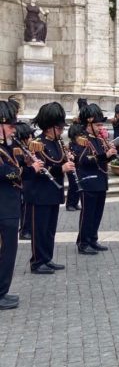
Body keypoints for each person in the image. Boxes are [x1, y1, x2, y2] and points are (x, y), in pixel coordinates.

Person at [27, 102, 74, 274]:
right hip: (40, 193)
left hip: (54, 191)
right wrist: (61, 168)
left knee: (50, 229)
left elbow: (58, 160)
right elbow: (41, 168)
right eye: (59, 128)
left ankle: (47, 258)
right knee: (40, 229)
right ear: (49, 127)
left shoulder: (58, 142)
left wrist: (68, 159)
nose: (62, 131)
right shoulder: (37, 144)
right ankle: (37, 262)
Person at [73, 103, 117, 254]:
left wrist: (111, 155)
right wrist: (105, 155)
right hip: (88, 181)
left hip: (100, 181)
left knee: (97, 213)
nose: (100, 128)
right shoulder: (82, 139)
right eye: (97, 125)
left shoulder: (98, 139)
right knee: (88, 214)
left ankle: (93, 239)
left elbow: (101, 160)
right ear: (89, 123)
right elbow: (84, 160)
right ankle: (83, 242)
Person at [0, 101, 22, 309]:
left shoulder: (5, 148)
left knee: (9, 252)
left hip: (8, 207)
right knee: (4, 252)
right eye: (10, 125)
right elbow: (8, 173)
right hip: (3, 209)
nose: (13, 129)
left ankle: (3, 290)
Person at [15, 122, 35, 241]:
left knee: (28, 206)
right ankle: (24, 230)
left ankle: (27, 228)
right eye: (29, 136)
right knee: (26, 207)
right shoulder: (17, 149)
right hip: (22, 182)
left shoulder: (24, 148)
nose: (31, 138)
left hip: (28, 182)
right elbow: (19, 166)